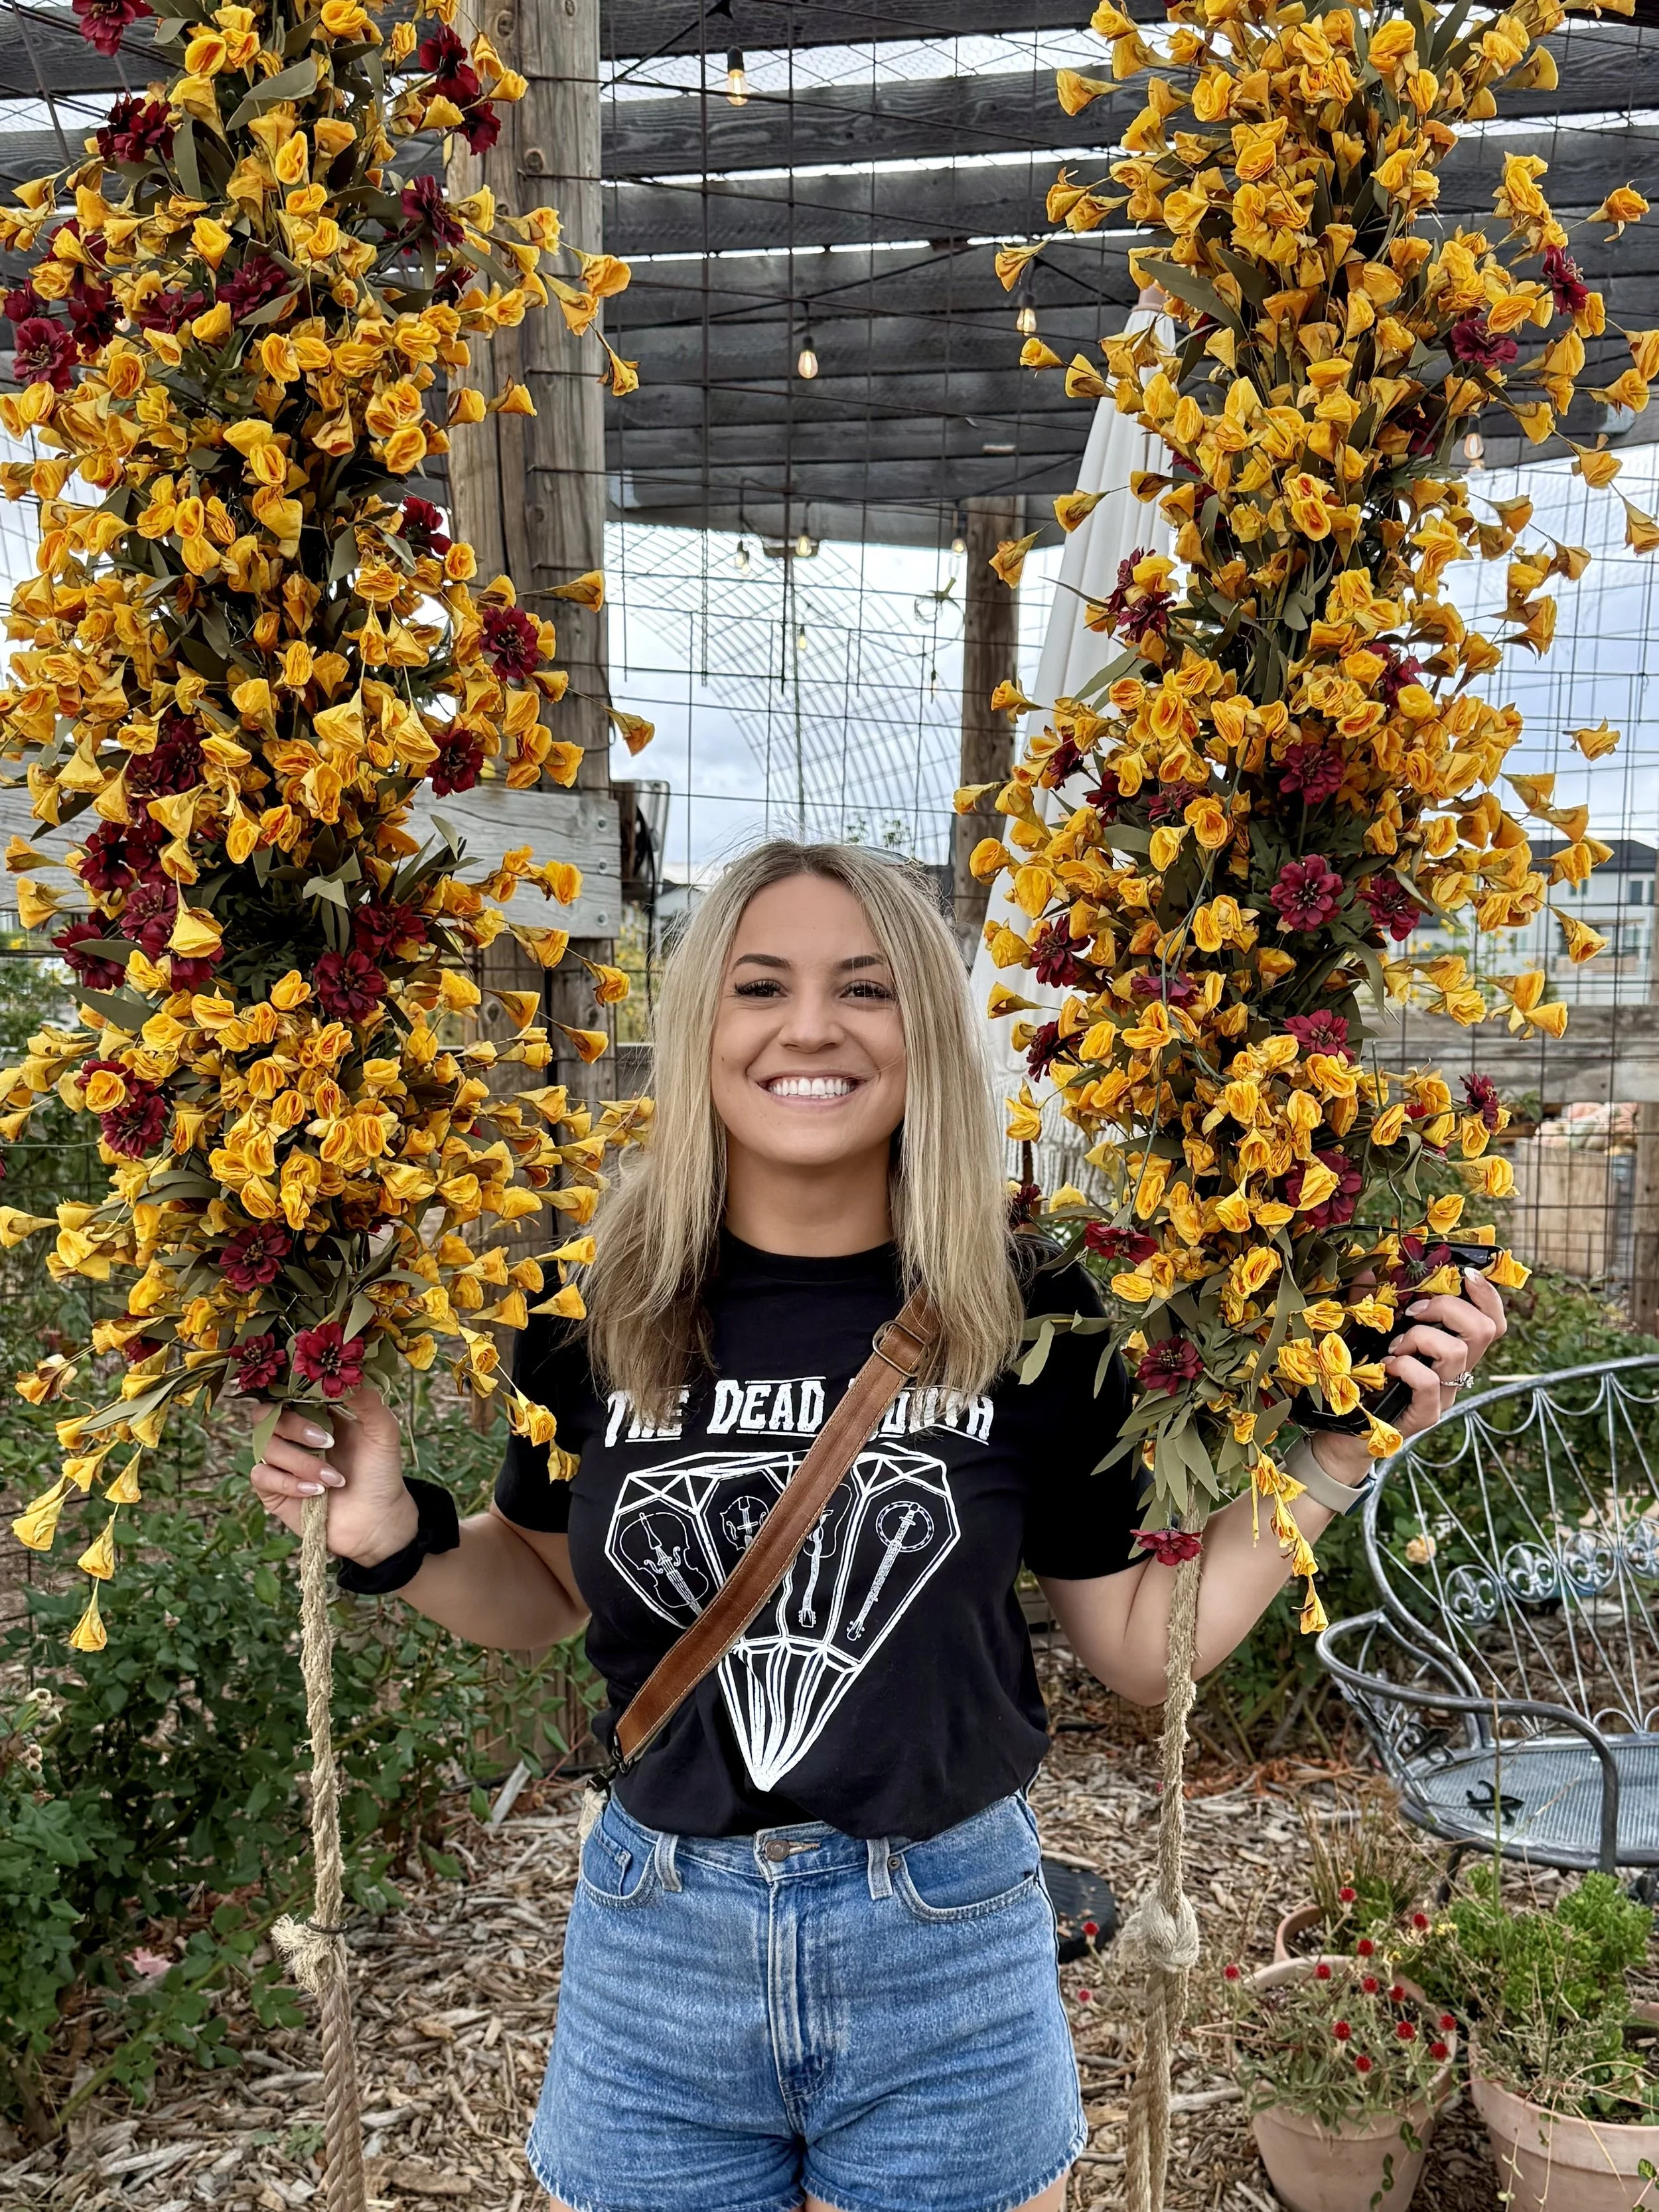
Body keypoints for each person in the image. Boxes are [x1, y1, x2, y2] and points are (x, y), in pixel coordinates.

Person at [249, 840, 1505, 2212]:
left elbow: (1145, 1650)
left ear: (924, 1030)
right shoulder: (595, 1306)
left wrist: (1333, 1455)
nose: (809, 1028)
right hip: (655, 1947)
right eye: (759, 986)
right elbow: (542, 1590)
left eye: (865, 987)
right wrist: (391, 1532)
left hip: (946, 1950)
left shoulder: (1036, 1312)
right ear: (701, 1026)